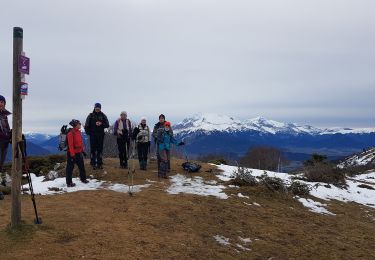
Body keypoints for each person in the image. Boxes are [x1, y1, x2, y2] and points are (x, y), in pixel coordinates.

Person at [84, 103, 109, 170]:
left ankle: (99, 163)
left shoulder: (103, 115)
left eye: (98, 108)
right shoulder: (90, 115)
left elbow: (107, 125)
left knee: (100, 149)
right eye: (96, 108)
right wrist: (88, 133)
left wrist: (101, 124)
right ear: (94, 108)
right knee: (93, 149)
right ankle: (93, 162)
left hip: (100, 135)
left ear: (100, 108)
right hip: (93, 135)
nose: (97, 109)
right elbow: (86, 125)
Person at [66, 119, 89, 187]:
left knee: (82, 167)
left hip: (79, 152)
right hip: (72, 154)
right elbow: (70, 145)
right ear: (75, 125)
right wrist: (72, 155)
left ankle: (83, 179)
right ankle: (69, 183)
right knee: (70, 169)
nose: (80, 125)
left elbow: (80, 142)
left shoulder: (79, 132)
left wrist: (82, 151)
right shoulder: (70, 133)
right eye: (79, 124)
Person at [0, 95, 11, 173]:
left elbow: (6, 127)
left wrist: (10, 134)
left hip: (5, 142)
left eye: (2, 102)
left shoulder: (4, 115)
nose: (0, 104)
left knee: (1, 163)